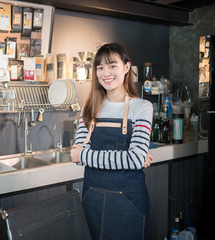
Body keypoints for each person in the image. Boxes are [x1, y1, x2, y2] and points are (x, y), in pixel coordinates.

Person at [70, 43, 153, 240]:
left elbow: (134, 159)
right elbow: (76, 156)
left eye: (112, 66)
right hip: (92, 201)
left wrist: (85, 155)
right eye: (100, 68)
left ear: (126, 67)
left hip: (129, 203)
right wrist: (129, 158)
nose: (105, 73)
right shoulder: (88, 108)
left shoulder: (142, 107)